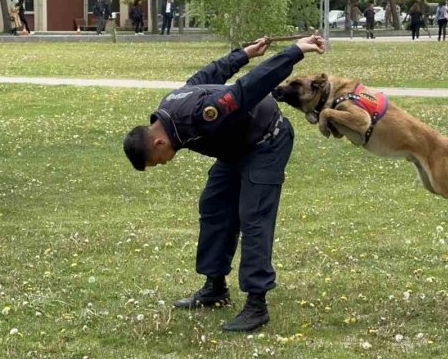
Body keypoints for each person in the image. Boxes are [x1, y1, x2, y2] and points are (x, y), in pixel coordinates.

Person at [123, 34, 326, 332]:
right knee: (214, 207)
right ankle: (215, 287)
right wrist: (245, 53)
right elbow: (207, 76)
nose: (163, 163)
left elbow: (250, 86)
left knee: (254, 216)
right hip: (235, 148)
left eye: (157, 160)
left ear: (158, 142)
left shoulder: (204, 116)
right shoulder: (170, 107)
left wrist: (294, 52)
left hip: (267, 141)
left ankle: (256, 304)